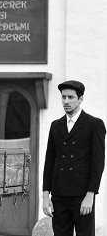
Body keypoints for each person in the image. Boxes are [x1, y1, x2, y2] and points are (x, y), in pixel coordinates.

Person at [42, 80, 105, 236]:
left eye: (70, 97)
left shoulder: (94, 124)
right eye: (63, 97)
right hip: (59, 194)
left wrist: (90, 195)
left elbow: (98, 163)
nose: (66, 101)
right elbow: (49, 161)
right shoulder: (56, 125)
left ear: (80, 99)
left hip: (82, 194)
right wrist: (45, 195)